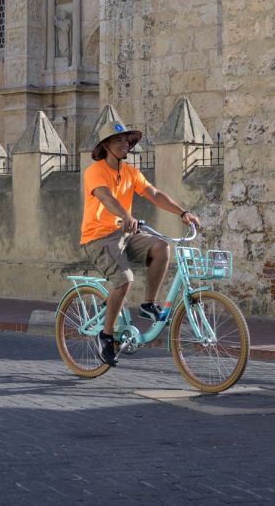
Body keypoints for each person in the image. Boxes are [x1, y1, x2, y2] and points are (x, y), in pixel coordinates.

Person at [80, 118, 201, 367]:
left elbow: (154, 194)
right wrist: (125, 215)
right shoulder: (95, 172)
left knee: (161, 247)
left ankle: (148, 304)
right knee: (124, 279)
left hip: (126, 234)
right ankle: (106, 335)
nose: (125, 144)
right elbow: (105, 197)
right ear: (105, 146)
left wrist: (182, 213)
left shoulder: (131, 173)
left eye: (127, 139)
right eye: (118, 140)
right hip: (98, 237)